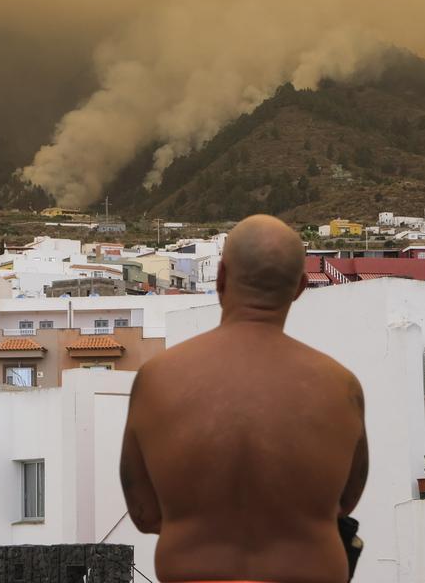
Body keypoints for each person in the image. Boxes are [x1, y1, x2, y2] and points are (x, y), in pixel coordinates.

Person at [120, 215, 368, 583]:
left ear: (220, 278)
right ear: (300, 287)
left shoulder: (157, 378)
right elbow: (344, 503)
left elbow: (143, 514)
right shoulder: (341, 386)